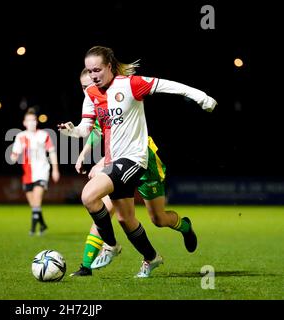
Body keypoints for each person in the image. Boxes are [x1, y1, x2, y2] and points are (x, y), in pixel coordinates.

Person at [59, 46, 216, 278]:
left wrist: (201, 97)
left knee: (89, 196)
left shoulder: (130, 84)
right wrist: (71, 131)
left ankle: (110, 246)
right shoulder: (91, 93)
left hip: (134, 158)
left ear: (110, 66)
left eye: (97, 70)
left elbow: (168, 85)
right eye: (90, 71)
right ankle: (152, 258)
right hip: (116, 161)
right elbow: (86, 128)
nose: (93, 76)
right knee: (125, 219)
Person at [11, 107, 60, 236]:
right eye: (29, 120)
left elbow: (52, 152)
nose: (31, 122)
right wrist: (14, 156)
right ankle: (43, 225)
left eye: (33, 120)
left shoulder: (44, 135)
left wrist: (55, 169)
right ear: (24, 123)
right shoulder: (20, 136)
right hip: (27, 174)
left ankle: (32, 230)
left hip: (42, 171)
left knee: (37, 200)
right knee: (34, 205)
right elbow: (14, 153)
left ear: (36, 122)